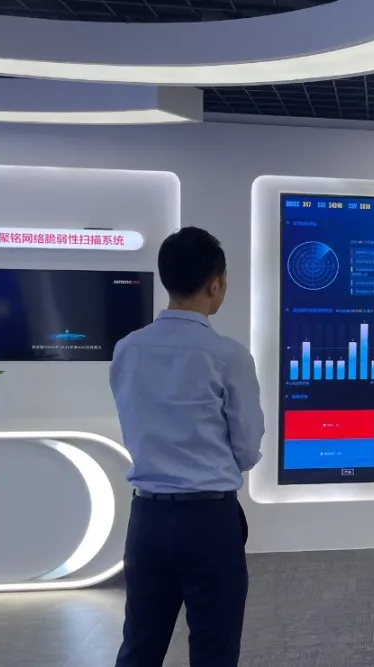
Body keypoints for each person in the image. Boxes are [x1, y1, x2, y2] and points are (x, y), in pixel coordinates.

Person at [111, 227, 265, 667]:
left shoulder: (127, 349)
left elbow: (132, 422)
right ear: (215, 283)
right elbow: (247, 447)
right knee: (214, 650)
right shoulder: (228, 355)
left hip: (147, 518)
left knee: (140, 646)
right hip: (208, 521)